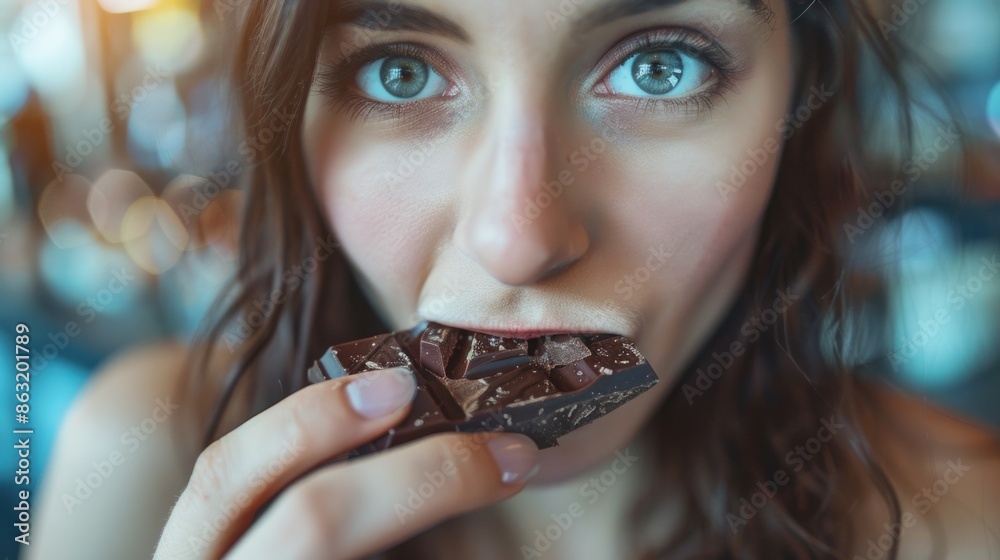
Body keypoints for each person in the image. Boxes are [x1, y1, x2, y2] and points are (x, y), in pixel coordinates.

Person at [31, 0, 1000, 558]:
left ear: (801, 99)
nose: (516, 238)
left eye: (661, 67)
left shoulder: (965, 517)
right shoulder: (140, 462)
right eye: (398, 72)